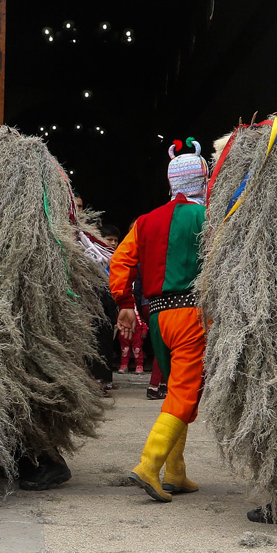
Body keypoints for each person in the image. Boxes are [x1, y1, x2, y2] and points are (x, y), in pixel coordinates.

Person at [109, 138, 207, 503]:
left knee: (176, 389)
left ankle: (176, 472)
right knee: (184, 391)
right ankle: (149, 465)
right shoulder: (208, 217)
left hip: (157, 314)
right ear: (201, 181)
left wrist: (125, 302)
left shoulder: (145, 221)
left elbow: (119, 263)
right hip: (191, 315)